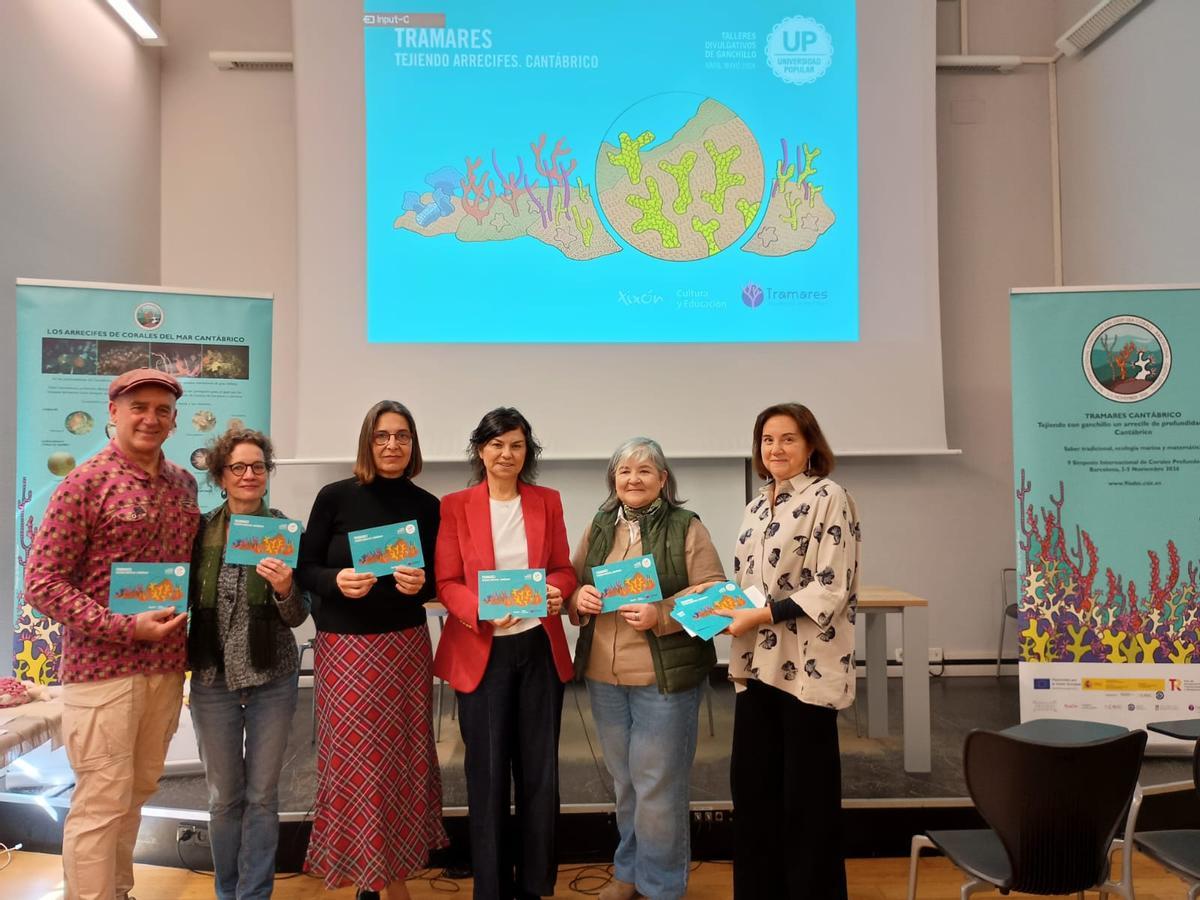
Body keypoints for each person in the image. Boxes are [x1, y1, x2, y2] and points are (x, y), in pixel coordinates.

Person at [24, 368, 200, 900]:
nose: (151, 417)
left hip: (166, 670)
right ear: (114, 413)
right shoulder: (84, 483)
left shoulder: (183, 484)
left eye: (162, 409)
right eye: (139, 406)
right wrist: (123, 627)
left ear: (173, 421)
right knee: (101, 802)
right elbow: (41, 582)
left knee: (136, 793)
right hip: (102, 673)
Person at [297, 401, 446, 900]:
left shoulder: (427, 506)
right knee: (359, 762)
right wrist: (335, 581)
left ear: (413, 444)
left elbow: (437, 583)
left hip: (404, 648)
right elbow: (306, 568)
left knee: (401, 761)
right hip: (347, 651)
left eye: (401, 436)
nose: (391, 445)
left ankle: (384, 875)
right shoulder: (334, 497)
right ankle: (374, 875)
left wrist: (422, 584)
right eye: (382, 436)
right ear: (367, 441)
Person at [715, 402, 862, 899]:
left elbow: (831, 585)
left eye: (787, 439)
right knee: (753, 793)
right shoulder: (758, 505)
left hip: (807, 671)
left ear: (810, 445)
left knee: (807, 802)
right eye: (767, 440)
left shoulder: (829, 496)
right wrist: (717, 606)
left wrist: (758, 615)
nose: (775, 449)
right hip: (756, 666)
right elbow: (747, 584)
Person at [568, 437, 725, 900]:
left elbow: (716, 594)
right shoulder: (600, 525)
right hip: (604, 680)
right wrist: (578, 598)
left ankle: (661, 888)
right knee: (627, 785)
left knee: (658, 788)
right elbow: (572, 581)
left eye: (644, 471)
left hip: (665, 680)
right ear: (613, 481)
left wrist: (664, 613)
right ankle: (629, 875)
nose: (633, 479)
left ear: (663, 480)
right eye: (624, 472)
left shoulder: (685, 526)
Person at [434, 407, 578, 900]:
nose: (506, 454)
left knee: (539, 774)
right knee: (488, 776)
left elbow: (562, 570)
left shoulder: (547, 502)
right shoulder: (455, 505)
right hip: (482, 651)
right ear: (481, 450)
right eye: (497, 445)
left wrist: (556, 591)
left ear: (527, 452)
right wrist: (480, 611)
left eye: (516, 445)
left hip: (539, 647)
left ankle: (535, 885)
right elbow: (447, 583)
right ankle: (491, 889)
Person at [187, 428, 310, 900]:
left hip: (272, 679)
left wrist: (283, 589)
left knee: (262, 797)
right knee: (223, 799)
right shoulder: (198, 533)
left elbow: (299, 615)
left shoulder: (284, 530)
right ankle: (227, 891)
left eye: (258, 466)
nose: (249, 475)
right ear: (221, 475)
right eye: (238, 467)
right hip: (213, 680)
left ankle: (254, 894)